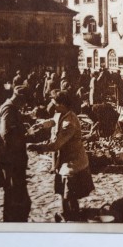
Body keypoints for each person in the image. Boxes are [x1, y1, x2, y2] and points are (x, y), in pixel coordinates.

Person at [28, 90, 95, 222]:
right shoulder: (61, 113)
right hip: (64, 160)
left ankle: (70, 215)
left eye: (54, 103)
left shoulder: (69, 123)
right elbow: (53, 121)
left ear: (62, 104)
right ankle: (69, 213)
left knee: (69, 191)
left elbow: (56, 145)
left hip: (73, 161)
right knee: (65, 190)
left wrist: (38, 146)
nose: (52, 105)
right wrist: (40, 125)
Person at [0, 85, 32, 222]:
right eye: (25, 101)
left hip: (12, 157)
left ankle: (14, 220)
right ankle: (14, 223)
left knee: (15, 193)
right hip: (12, 158)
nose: (25, 104)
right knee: (15, 194)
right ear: (19, 98)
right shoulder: (8, 109)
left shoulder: (10, 107)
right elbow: (7, 134)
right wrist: (26, 135)